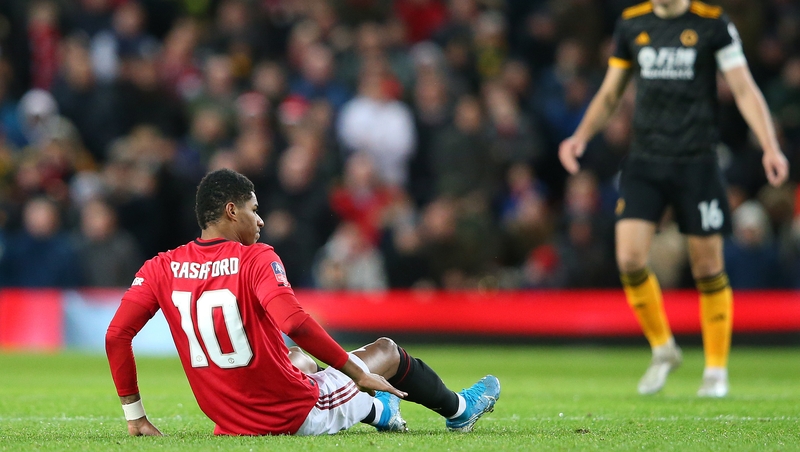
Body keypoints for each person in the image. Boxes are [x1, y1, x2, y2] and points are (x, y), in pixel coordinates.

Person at [105, 168, 500, 436]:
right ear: (231, 211)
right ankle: (457, 411)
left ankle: (378, 409)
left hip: (229, 419)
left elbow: (116, 336)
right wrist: (356, 371)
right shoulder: (255, 257)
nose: (259, 221)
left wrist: (134, 416)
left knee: (300, 358)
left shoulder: (162, 266)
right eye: (253, 210)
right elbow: (292, 320)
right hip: (291, 414)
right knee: (385, 351)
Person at [558, 0, 789, 398]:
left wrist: (770, 146)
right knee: (629, 258)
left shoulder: (712, 24)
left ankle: (716, 369)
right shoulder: (632, 24)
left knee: (707, 266)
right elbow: (611, 92)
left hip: (697, 161)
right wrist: (580, 136)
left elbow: (743, 88)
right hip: (645, 160)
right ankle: (664, 348)